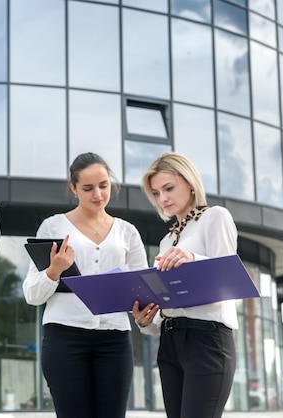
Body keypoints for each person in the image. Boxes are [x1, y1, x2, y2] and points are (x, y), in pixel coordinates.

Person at [23, 152, 148, 418]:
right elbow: (32, 294)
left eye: (104, 185)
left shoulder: (127, 231)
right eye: (88, 188)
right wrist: (54, 270)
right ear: (73, 188)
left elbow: (142, 289)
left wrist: (143, 311)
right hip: (64, 338)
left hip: (115, 339)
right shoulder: (53, 226)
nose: (98, 194)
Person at [132, 152, 238, 418]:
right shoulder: (168, 240)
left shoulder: (215, 217)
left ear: (190, 182)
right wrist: (148, 321)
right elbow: (173, 300)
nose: (163, 198)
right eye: (156, 193)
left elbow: (227, 280)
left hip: (207, 338)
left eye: (169, 188)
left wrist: (192, 259)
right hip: (169, 341)